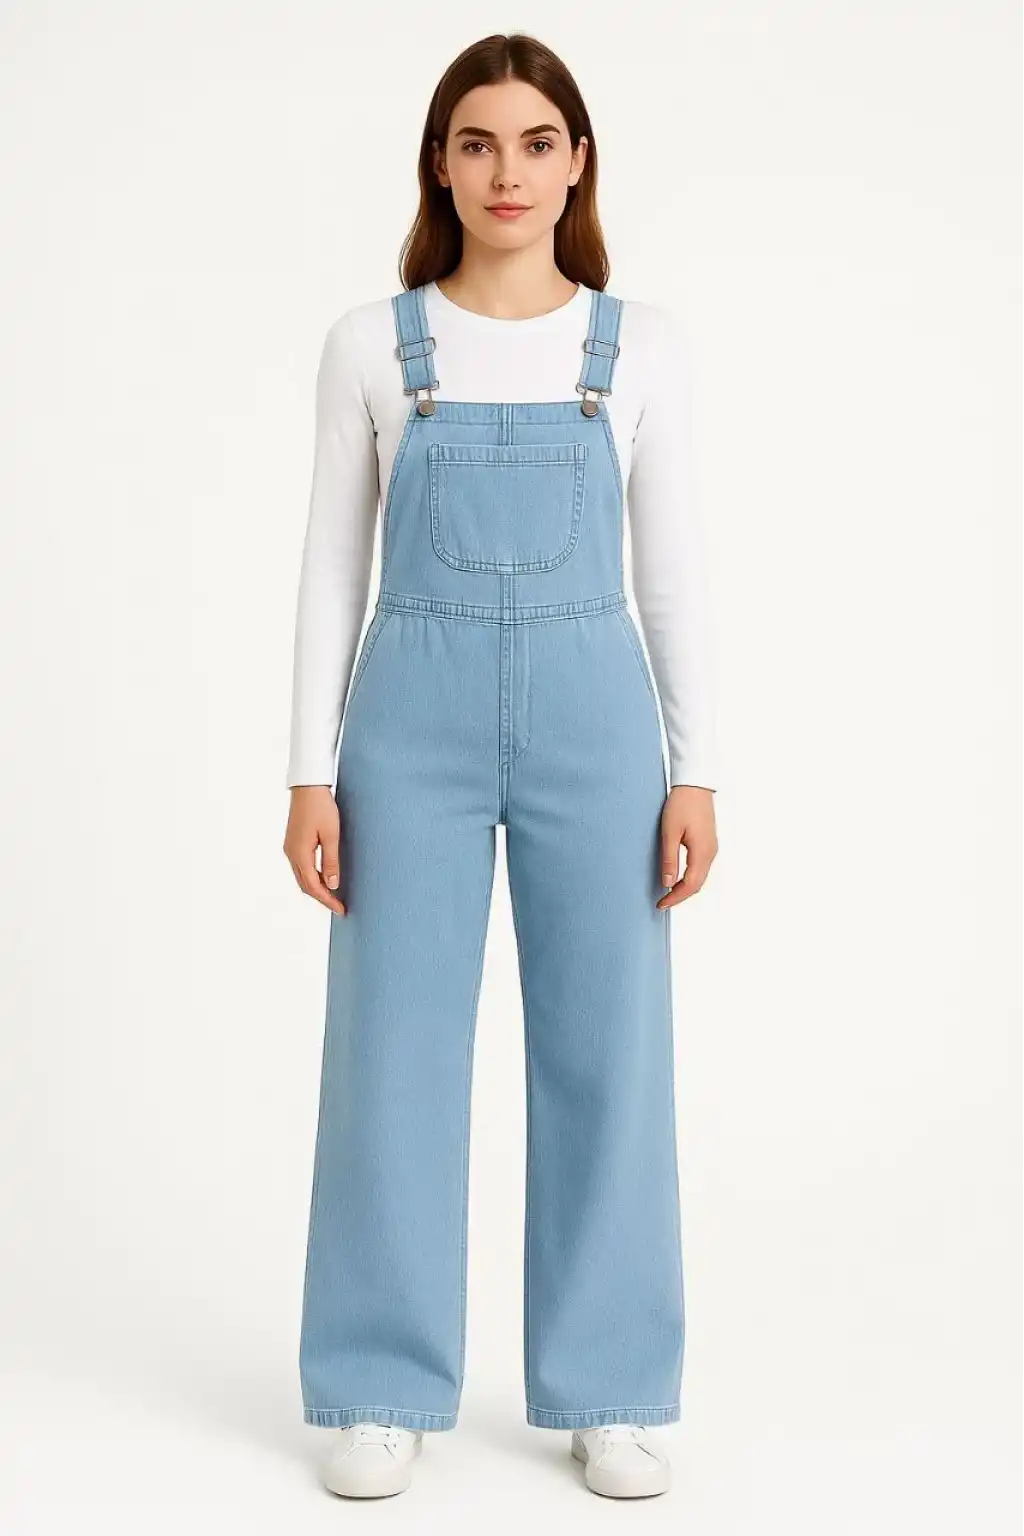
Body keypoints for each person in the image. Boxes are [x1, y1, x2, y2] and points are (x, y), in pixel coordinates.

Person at [282, 32, 720, 1501]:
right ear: (440, 164)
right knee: (391, 1048)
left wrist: (698, 769)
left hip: (600, 720)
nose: (508, 172)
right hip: (407, 718)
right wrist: (306, 773)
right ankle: (377, 1383)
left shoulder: (638, 345)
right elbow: (330, 568)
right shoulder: (374, 343)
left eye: (537, 143)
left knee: (609, 1048)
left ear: (578, 162)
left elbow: (673, 573)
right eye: (477, 143)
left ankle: (612, 1387)